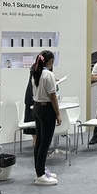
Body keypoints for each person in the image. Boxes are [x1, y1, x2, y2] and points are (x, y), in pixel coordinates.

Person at [31, 51, 61, 186]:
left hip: (37, 107)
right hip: (46, 109)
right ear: (50, 61)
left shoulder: (35, 72)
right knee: (44, 143)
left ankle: (39, 170)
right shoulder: (48, 74)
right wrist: (58, 114)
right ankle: (40, 175)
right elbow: (53, 96)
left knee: (39, 142)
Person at [23, 69, 37, 147]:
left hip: (30, 98)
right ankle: (36, 141)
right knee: (33, 119)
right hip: (32, 99)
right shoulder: (37, 74)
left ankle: (35, 141)